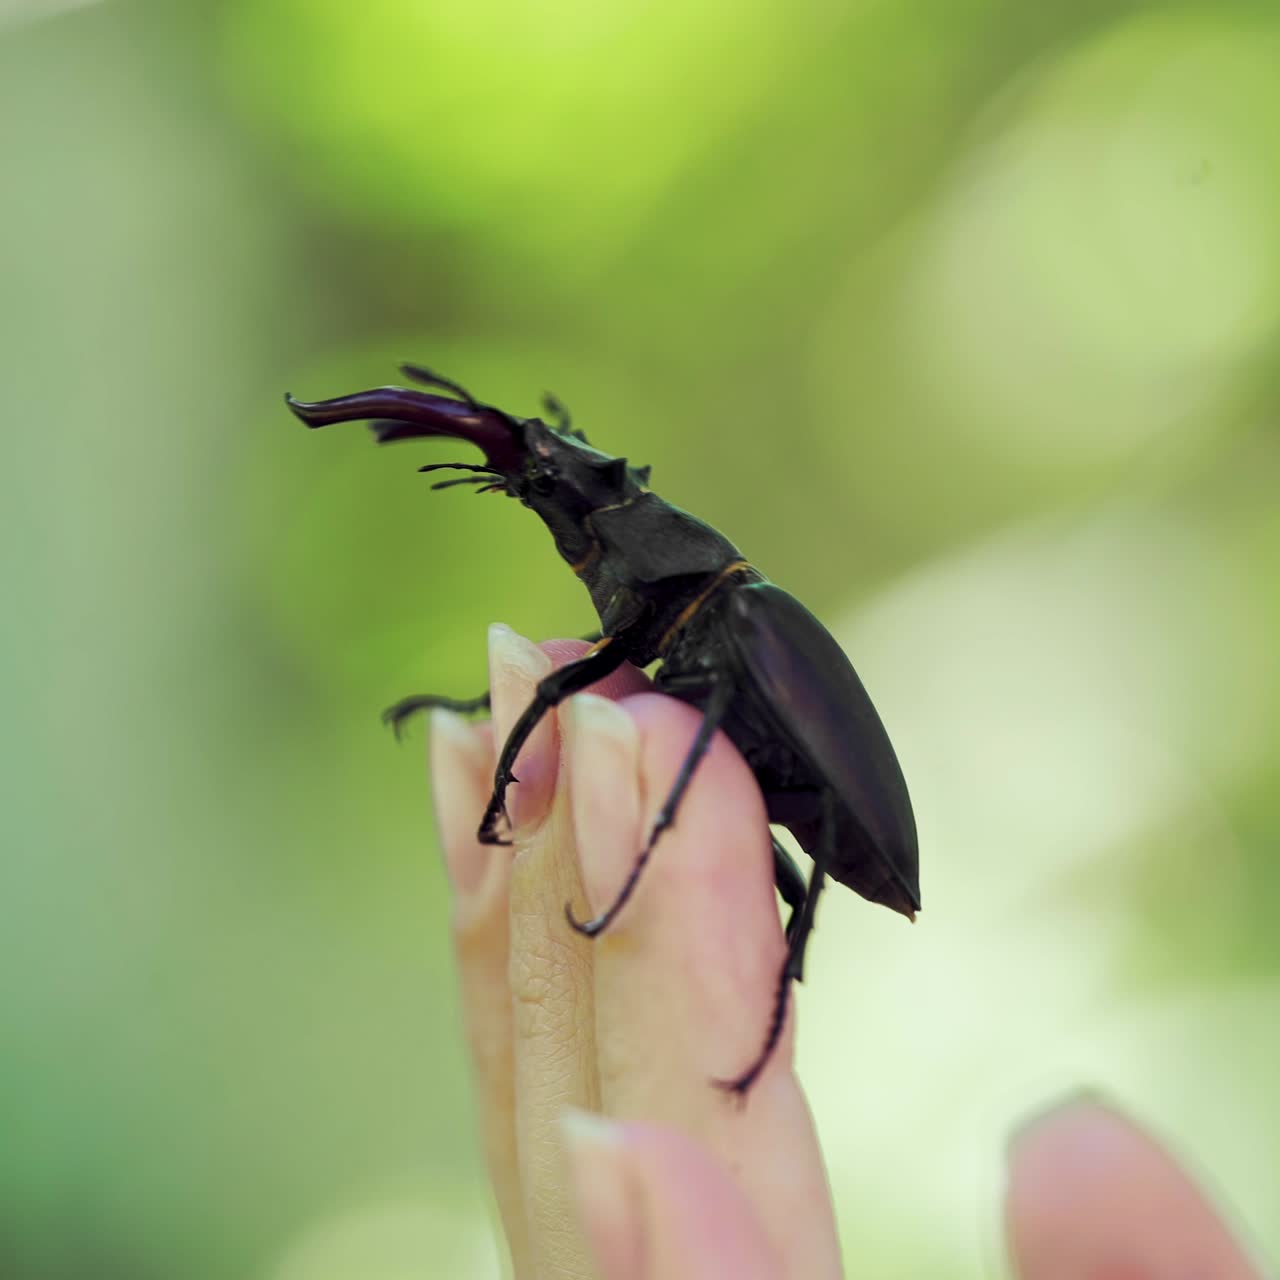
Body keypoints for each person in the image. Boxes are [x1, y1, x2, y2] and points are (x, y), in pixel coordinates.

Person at [428, 625, 1262, 1280]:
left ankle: (765, 989)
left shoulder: (727, 620)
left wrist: (653, 831)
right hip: (812, 799)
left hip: (849, 821)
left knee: (753, 805)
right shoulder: (683, 624)